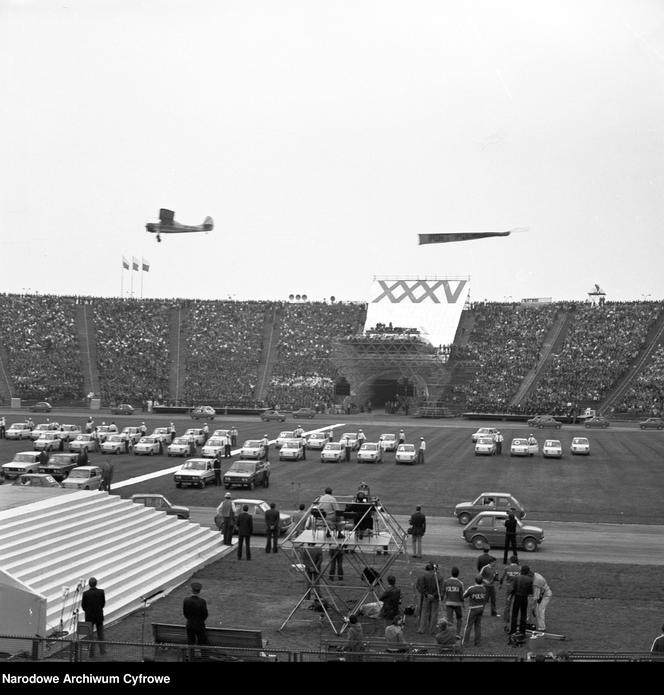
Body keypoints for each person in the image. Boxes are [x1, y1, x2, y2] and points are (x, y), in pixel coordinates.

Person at [81, 577, 106, 657]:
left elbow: (83, 606)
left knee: (90, 636)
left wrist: (88, 611)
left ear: (89, 584)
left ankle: (91, 653)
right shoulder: (101, 592)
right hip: (99, 616)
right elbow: (103, 604)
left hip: (89, 617)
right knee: (100, 634)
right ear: (96, 583)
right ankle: (102, 650)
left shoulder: (85, 594)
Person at [182, 581, 209, 654]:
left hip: (190, 624)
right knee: (202, 643)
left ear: (191, 590)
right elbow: (205, 614)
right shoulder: (202, 601)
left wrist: (190, 619)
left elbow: (185, 613)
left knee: (191, 643)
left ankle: (191, 658)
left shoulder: (186, 600)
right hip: (199, 625)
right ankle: (203, 658)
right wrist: (200, 620)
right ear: (199, 591)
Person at [415, 563, 440, 635]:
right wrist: (434, 595)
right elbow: (440, 588)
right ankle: (432, 629)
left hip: (425, 595)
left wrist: (426, 594)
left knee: (424, 612)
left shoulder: (422, 575)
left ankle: (421, 628)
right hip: (434, 597)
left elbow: (419, 586)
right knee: (433, 613)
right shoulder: (438, 576)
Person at [462, 575, 487, 647]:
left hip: (473, 609)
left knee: (468, 626)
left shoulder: (471, 589)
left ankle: (465, 643)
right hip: (481, 608)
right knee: (478, 626)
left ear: (475, 581)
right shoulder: (484, 589)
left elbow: (463, 596)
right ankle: (478, 642)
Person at [509, 565, 534, 636]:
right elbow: (530, 591)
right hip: (524, 597)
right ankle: (522, 631)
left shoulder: (516, 578)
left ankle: (513, 630)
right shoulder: (530, 579)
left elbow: (514, 588)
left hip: (517, 597)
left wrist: (511, 595)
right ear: (527, 571)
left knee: (514, 614)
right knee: (523, 614)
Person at [442, 566, 465, 639]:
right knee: (459, 618)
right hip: (457, 604)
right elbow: (462, 595)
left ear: (451, 573)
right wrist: (463, 603)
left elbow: (443, 592)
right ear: (458, 574)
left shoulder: (446, 582)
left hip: (448, 603)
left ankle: (450, 634)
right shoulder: (460, 583)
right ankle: (457, 634)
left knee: (449, 619)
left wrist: (442, 599)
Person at [499, 556, 521, 629]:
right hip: (517, 588)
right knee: (517, 604)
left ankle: (506, 621)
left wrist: (500, 585)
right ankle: (516, 621)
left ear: (510, 561)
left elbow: (502, 578)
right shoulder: (519, 568)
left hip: (509, 588)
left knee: (507, 605)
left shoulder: (507, 568)